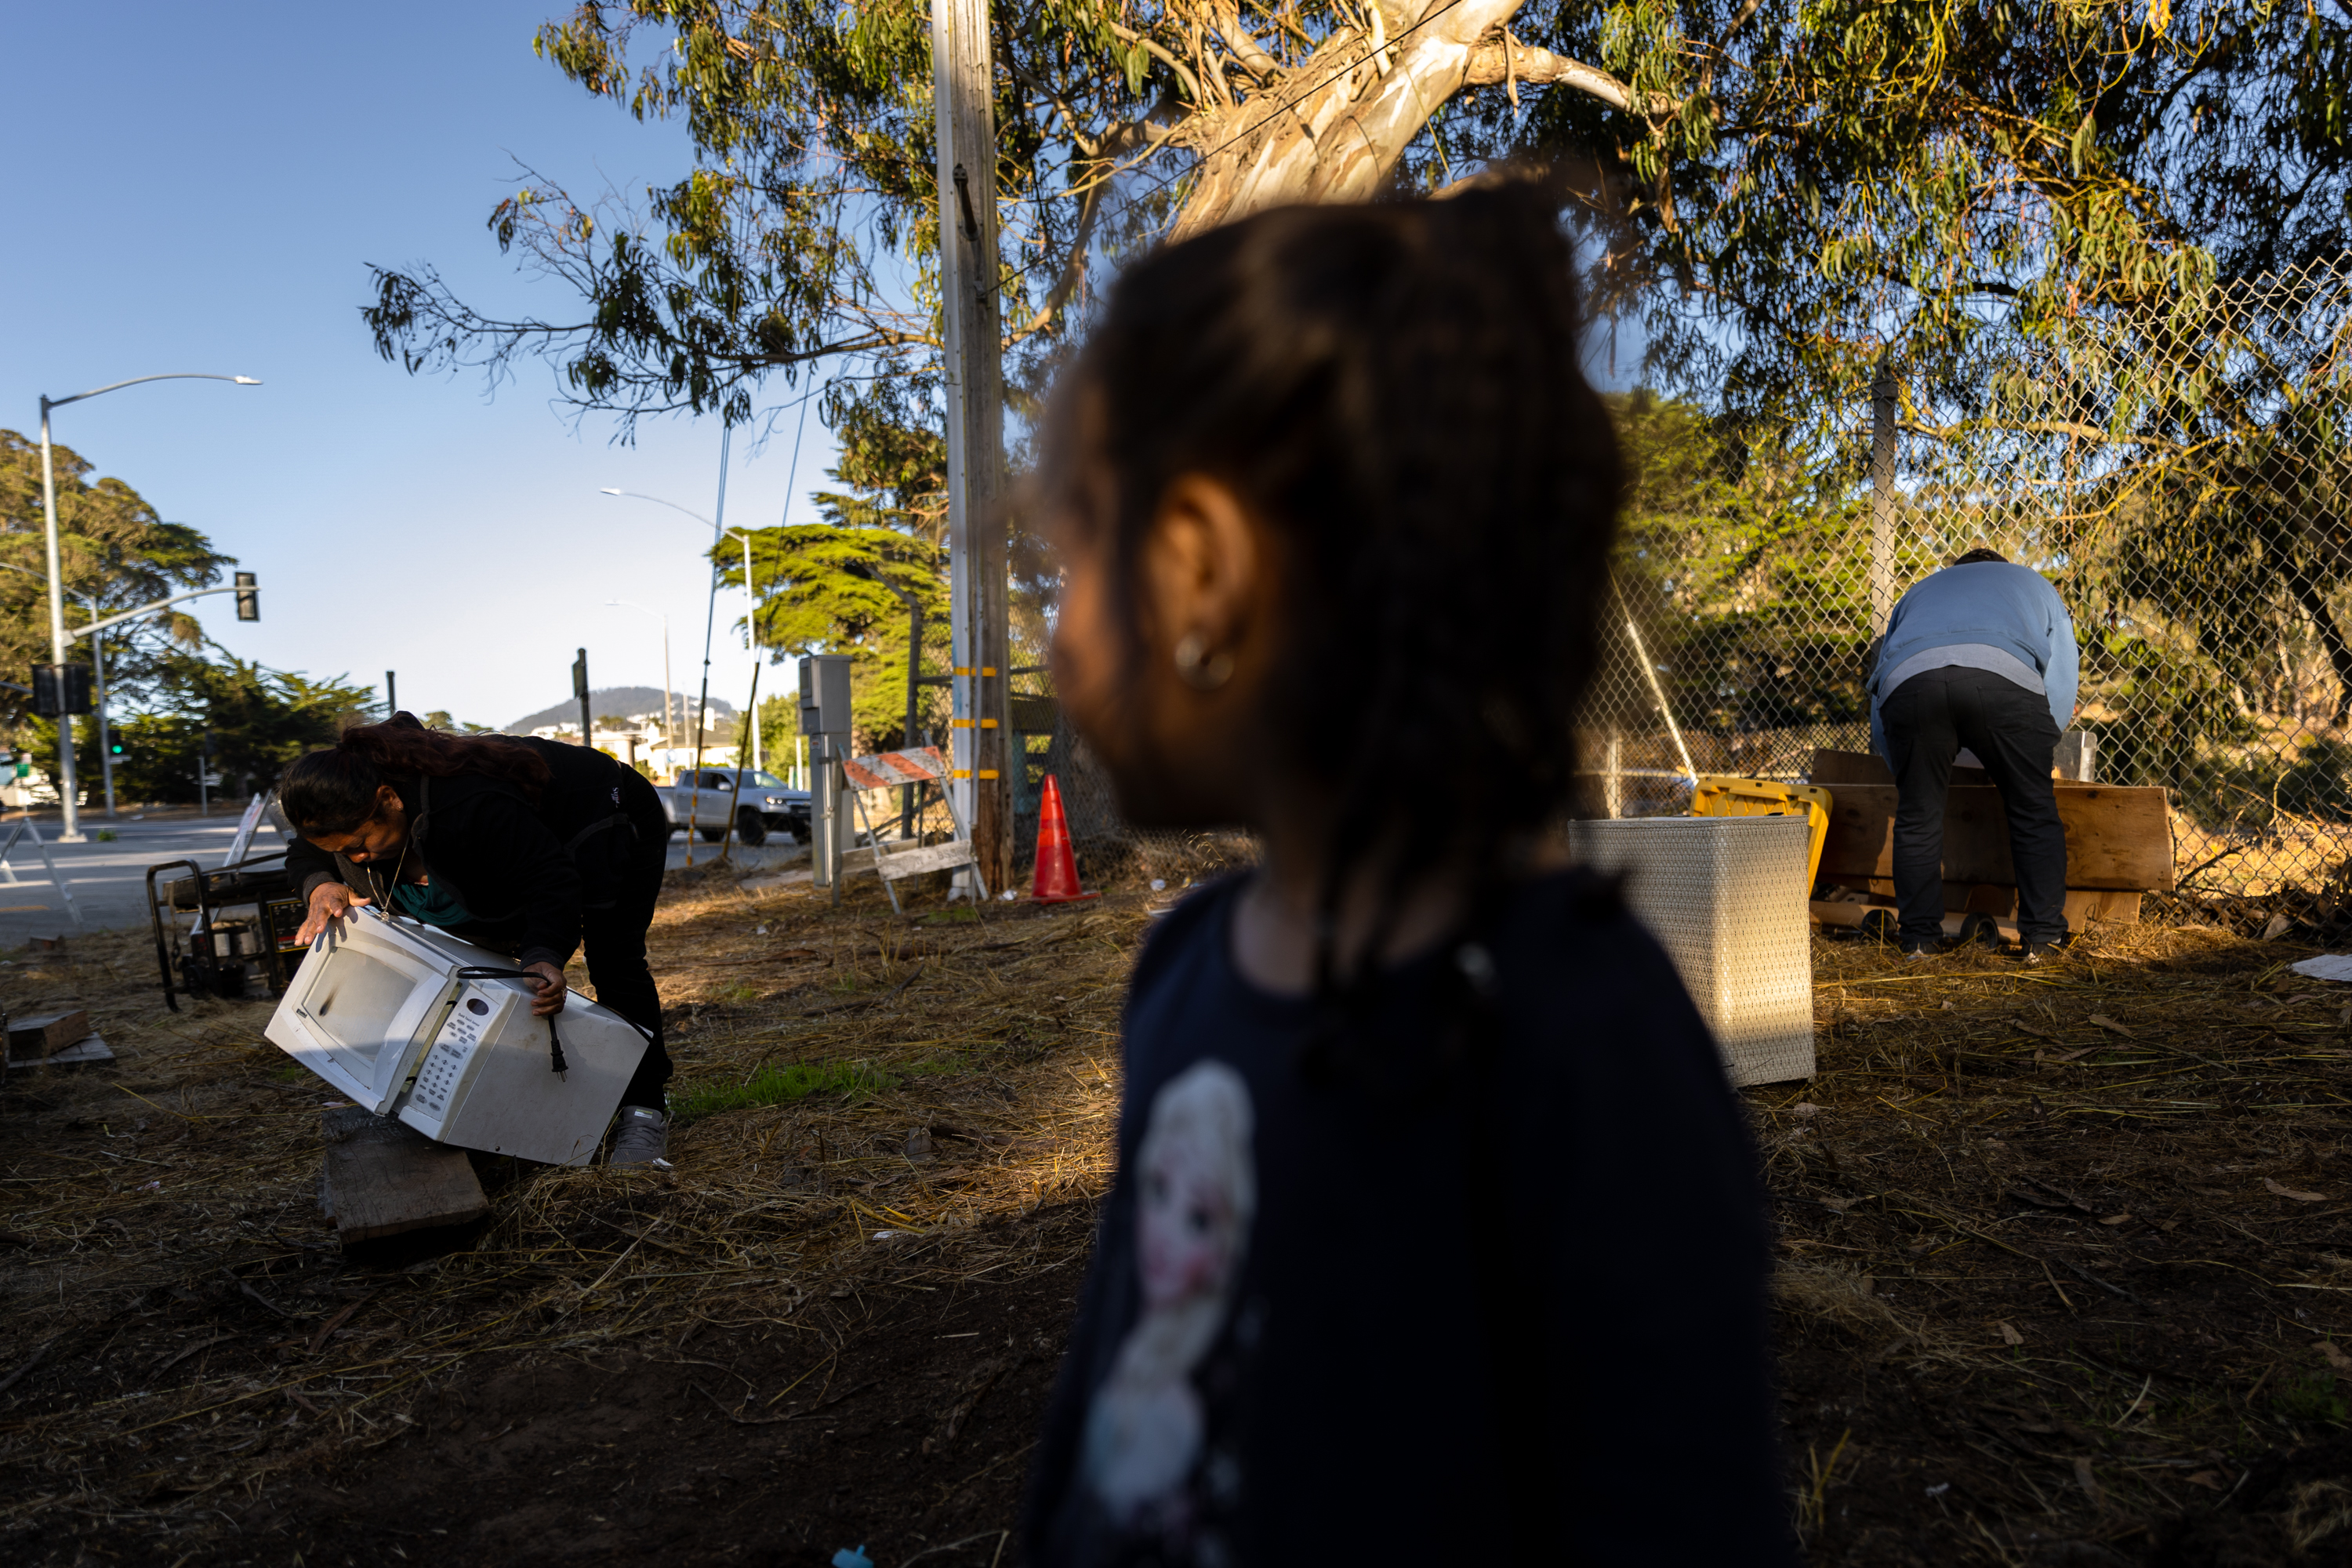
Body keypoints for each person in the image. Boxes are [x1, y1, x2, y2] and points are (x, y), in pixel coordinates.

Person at [1022, 186, 1793, 1564]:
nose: (1052, 638)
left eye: (1068, 558)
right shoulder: (1182, 973)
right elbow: (1108, 1405)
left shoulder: (1588, 1048)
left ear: (1197, 571)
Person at [279, 713, 676, 1166]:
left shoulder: (469, 806)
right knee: (479, 969)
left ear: (387, 799)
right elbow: (308, 849)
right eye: (342, 852)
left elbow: (550, 880)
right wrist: (318, 883)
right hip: (521, 845)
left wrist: (543, 954)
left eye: (359, 844)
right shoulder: (348, 803)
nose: (356, 857)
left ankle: (644, 1112)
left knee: (614, 957)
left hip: (604, 813)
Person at [1867, 548, 2080, 962]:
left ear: (1955, 573)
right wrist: (2038, 745)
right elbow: (2061, 674)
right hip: (2004, 678)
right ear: (2000, 570)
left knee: (1917, 817)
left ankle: (1918, 942)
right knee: (2032, 810)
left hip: (1911, 685)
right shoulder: (2031, 582)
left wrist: (1906, 770)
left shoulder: (1919, 591)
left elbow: (1882, 690)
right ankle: (2042, 940)